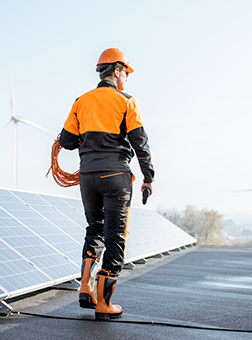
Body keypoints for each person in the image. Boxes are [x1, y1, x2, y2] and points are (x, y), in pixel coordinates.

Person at [59, 48, 155, 320]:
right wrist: (149, 177)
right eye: (126, 72)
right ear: (116, 71)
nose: (127, 78)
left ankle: (86, 286)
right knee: (116, 236)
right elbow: (140, 142)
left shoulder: (81, 101)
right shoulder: (126, 101)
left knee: (95, 230)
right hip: (115, 177)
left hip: (88, 176)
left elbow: (66, 141)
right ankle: (104, 304)